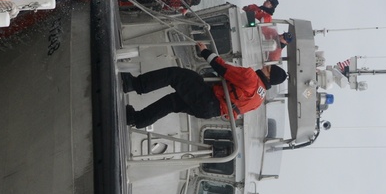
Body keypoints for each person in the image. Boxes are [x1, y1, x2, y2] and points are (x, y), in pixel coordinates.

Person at [122, 42, 287, 128]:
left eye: (268, 67)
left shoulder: (251, 77)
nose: (265, 65)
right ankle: (137, 119)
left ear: (269, 75)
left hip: (209, 99)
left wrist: (204, 51)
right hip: (210, 111)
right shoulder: (260, 98)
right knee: (172, 102)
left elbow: (222, 68)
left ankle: (134, 84)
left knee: (176, 75)